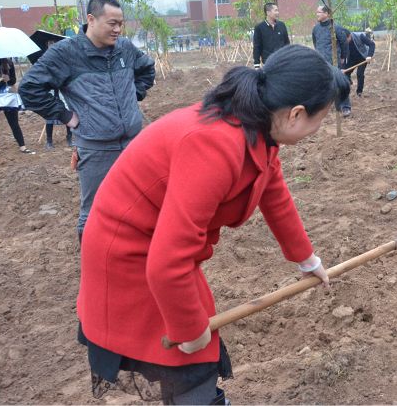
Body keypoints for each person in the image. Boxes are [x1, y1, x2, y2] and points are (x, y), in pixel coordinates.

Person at [76, 45, 349, 405]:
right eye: (322, 118)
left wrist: (307, 260)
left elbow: (273, 191)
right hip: (130, 257)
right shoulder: (214, 145)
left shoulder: (256, 126)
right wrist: (188, 329)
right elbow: (167, 261)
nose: (319, 128)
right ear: (296, 113)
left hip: (159, 251)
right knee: (189, 361)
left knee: (193, 358)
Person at [20, 0, 156, 241]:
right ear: (91, 19)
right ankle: (95, 272)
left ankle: (128, 261)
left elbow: (147, 68)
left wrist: (133, 94)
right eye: (112, 23)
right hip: (96, 150)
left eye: (121, 23)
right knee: (94, 212)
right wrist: (64, 115)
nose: (117, 29)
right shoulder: (67, 53)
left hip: (134, 144)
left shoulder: (124, 48)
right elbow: (30, 88)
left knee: (139, 205)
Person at [311, 5, 350, 116]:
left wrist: (343, 57)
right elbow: (316, 43)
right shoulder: (316, 29)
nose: (317, 14)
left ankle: (345, 106)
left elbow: (344, 43)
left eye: (319, 12)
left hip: (334, 61)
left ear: (326, 14)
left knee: (339, 83)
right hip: (321, 62)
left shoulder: (336, 28)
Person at [252, 2, 290, 68]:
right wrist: (256, 65)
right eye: (275, 10)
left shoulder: (282, 25)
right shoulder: (259, 27)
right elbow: (257, 47)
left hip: (283, 61)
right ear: (268, 12)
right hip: (268, 63)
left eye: (277, 10)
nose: (277, 13)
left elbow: (287, 43)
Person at [342, 28, 375, 97]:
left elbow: (372, 44)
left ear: (349, 36)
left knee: (360, 74)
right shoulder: (342, 41)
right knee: (345, 72)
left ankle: (359, 91)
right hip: (352, 58)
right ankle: (348, 84)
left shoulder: (360, 36)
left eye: (346, 40)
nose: (345, 42)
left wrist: (369, 56)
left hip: (362, 58)